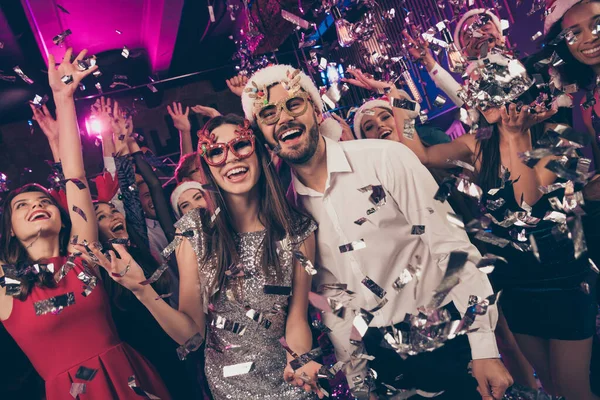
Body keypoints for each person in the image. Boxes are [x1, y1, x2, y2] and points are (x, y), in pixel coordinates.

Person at [242, 64, 513, 399]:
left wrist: (484, 348)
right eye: (268, 113)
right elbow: (335, 307)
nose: (283, 118)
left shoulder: (385, 159)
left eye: (293, 104)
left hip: (446, 337)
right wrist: (359, 383)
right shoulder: (289, 211)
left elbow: (454, 251)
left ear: (314, 108)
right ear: (261, 132)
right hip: (381, 360)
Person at [89, 113, 324, 399]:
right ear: (207, 168)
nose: (230, 159)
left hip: (291, 387)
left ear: (258, 152)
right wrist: (142, 289)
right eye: (216, 152)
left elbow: (297, 318)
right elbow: (191, 336)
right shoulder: (196, 231)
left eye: (240, 146)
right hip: (230, 390)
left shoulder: (297, 229)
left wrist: (299, 360)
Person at [0, 48, 170, 400]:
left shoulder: (82, 258)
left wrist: (64, 99)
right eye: (22, 205)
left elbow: (74, 176)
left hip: (131, 380)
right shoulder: (6, 285)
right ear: (10, 229)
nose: (36, 205)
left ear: (63, 221)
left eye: (45, 200)